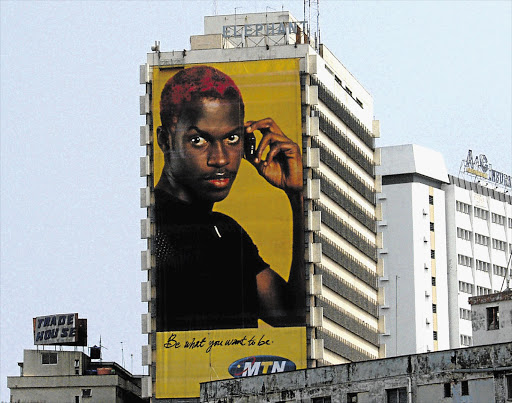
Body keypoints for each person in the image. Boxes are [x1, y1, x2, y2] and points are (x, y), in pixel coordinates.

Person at [154, 65, 305, 332]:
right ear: (165, 140)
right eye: (199, 140)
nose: (221, 158)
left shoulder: (226, 233)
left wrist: (298, 196)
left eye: (232, 138)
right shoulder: (151, 229)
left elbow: (294, 318)